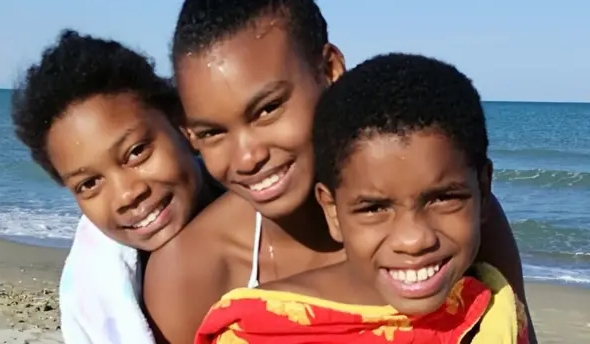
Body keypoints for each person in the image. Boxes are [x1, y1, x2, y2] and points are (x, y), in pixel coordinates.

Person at [144, 0, 535, 343]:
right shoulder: (187, 274)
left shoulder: (453, 220)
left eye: (267, 109)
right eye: (212, 132)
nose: (247, 157)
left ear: (329, 70)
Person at [195, 53, 529, 344]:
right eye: (374, 208)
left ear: (483, 191)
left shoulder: (492, 305)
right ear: (333, 212)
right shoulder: (259, 330)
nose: (413, 240)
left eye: (443, 199)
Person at [11, 30, 222, 343]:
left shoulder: (261, 211)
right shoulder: (98, 284)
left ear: (182, 124)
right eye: (89, 183)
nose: (127, 194)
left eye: (137, 152)